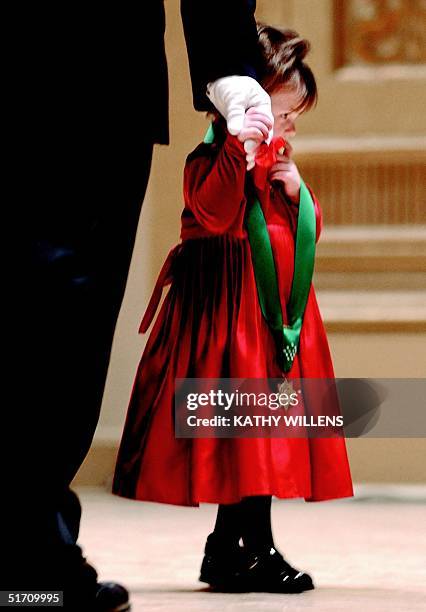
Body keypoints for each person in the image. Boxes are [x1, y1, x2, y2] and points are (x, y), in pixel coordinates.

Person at [9, 2, 274, 609]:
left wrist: (227, 63)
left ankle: (27, 555)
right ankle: (26, 559)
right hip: (91, 72)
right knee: (59, 308)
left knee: (60, 312)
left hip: (90, 73)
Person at [113, 24, 354, 594]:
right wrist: (236, 148)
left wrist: (301, 196)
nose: (291, 126)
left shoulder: (278, 161)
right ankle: (246, 546)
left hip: (271, 319)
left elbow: (301, 231)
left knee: (263, 441)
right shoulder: (213, 158)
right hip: (229, 320)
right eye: (285, 113)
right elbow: (218, 213)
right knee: (244, 439)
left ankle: (235, 545)